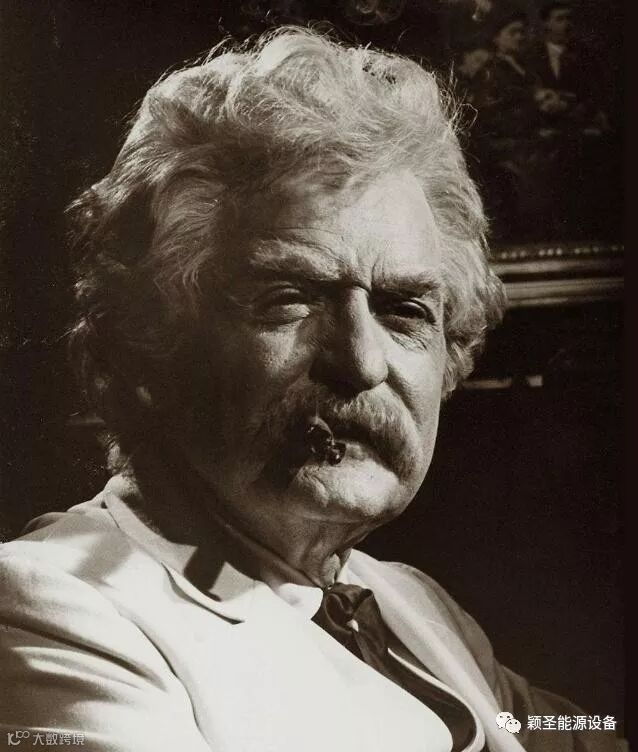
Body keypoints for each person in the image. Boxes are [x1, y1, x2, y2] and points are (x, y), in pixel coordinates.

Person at [0, 28, 623, 752]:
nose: (361, 362)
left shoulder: (410, 607)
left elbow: (543, 728)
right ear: (148, 349)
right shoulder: (54, 607)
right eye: (287, 299)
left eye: (403, 311)